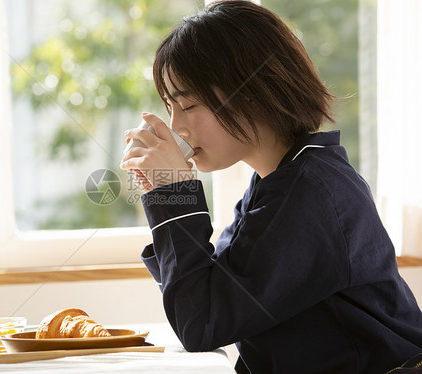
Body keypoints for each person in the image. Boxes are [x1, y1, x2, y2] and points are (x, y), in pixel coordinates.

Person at [119, 1, 422, 373]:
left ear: (249, 93)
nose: (176, 125)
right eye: (169, 106)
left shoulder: (310, 191)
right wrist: (162, 191)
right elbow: (211, 295)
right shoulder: (278, 181)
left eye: (188, 105)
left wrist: (171, 194)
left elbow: (201, 323)